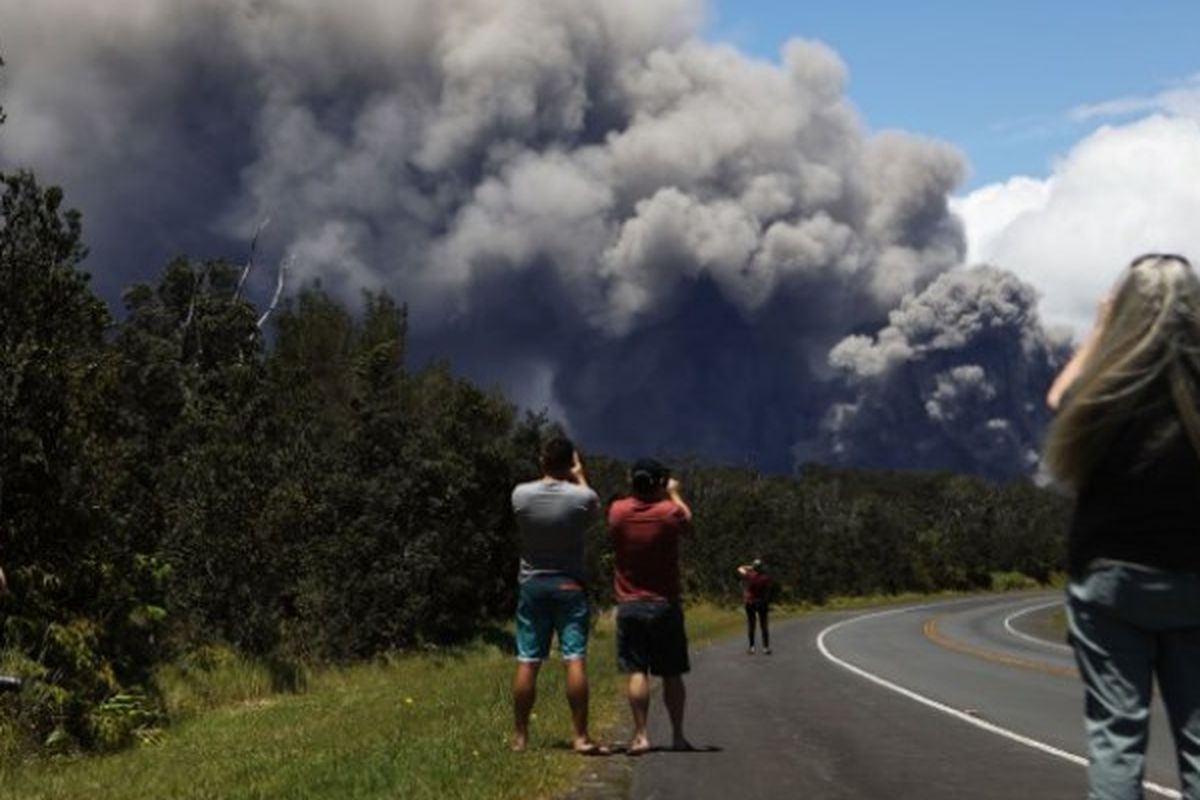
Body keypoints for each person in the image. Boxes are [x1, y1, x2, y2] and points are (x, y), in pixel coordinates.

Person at [1044, 253, 1200, 800]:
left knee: (1116, 740)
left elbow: (1059, 399)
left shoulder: (1106, 397)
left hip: (1110, 584)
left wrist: (1101, 330)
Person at [510, 436, 606, 755]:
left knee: (528, 661)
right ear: (571, 462)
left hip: (533, 584)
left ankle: (521, 737)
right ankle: (580, 736)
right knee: (574, 659)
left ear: (542, 460)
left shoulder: (520, 495)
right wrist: (579, 475)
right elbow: (595, 507)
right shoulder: (581, 497)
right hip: (569, 584)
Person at [608, 458, 694, 755]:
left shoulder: (617, 512)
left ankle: (642, 735)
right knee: (672, 674)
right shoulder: (670, 513)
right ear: (658, 483)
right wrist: (674, 492)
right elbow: (688, 523)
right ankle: (678, 736)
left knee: (636, 671)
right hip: (664, 604)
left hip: (630, 603)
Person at [736, 559, 772, 655]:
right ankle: (766, 648)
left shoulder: (749, 576)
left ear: (754, 568)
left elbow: (740, 568)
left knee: (751, 625)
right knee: (764, 625)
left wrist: (750, 567)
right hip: (762, 603)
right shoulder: (765, 578)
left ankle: (752, 648)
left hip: (750, 602)